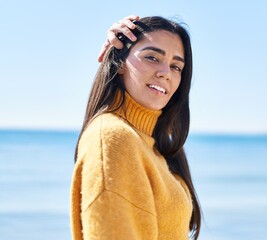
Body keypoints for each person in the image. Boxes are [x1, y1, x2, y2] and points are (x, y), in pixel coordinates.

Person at [70, 15, 201, 240]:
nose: (165, 73)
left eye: (176, 66)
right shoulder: (112, 138)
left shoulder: (152, 143)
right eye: (151, 57)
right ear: (119, 63)